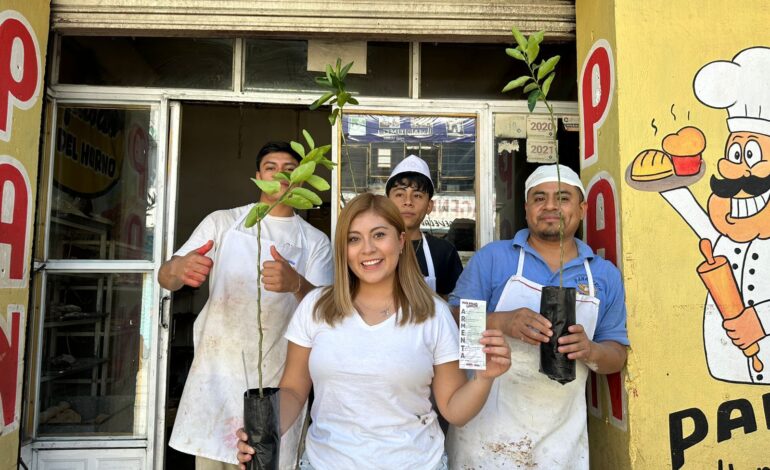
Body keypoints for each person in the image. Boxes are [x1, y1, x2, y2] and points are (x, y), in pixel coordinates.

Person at [235, 193, 511, 470]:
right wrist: (261, 433)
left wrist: (483, 380)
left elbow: (454, 409)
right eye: (354, 239)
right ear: (343, 249)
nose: (367, 249)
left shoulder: (433, 314)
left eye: (379, 235)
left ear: (401, 241)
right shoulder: (315, 307)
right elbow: (294, 391)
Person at [159, 141, 333, 470]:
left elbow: (326, 313)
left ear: (302, 178)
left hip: (278, 381)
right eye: (271, 167)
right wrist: (177, 269)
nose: (280, 175)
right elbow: (167, 278)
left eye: (289, 169)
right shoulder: (224, 223)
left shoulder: (313, 241)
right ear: (257, 176)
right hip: (216, 376)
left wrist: (297, 284)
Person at [446, 164, 629, 469]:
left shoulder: (602, 274)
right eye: (539, 198)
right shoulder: (494, 258)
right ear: (527, 208)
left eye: (563, 198)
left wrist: (591, 350)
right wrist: (501, 322)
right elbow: (451, 319)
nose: (550, 207)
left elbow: (616, 355)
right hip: (484, 436)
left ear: (582, 209)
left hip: (561, 441)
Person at [385, 155, 463, 297]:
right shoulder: (374, 248)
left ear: (429, 206)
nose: (408, 202)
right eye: (399, 194)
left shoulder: (444, 252)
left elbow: (455, 304)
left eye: (417, 196)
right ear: (386, 203)